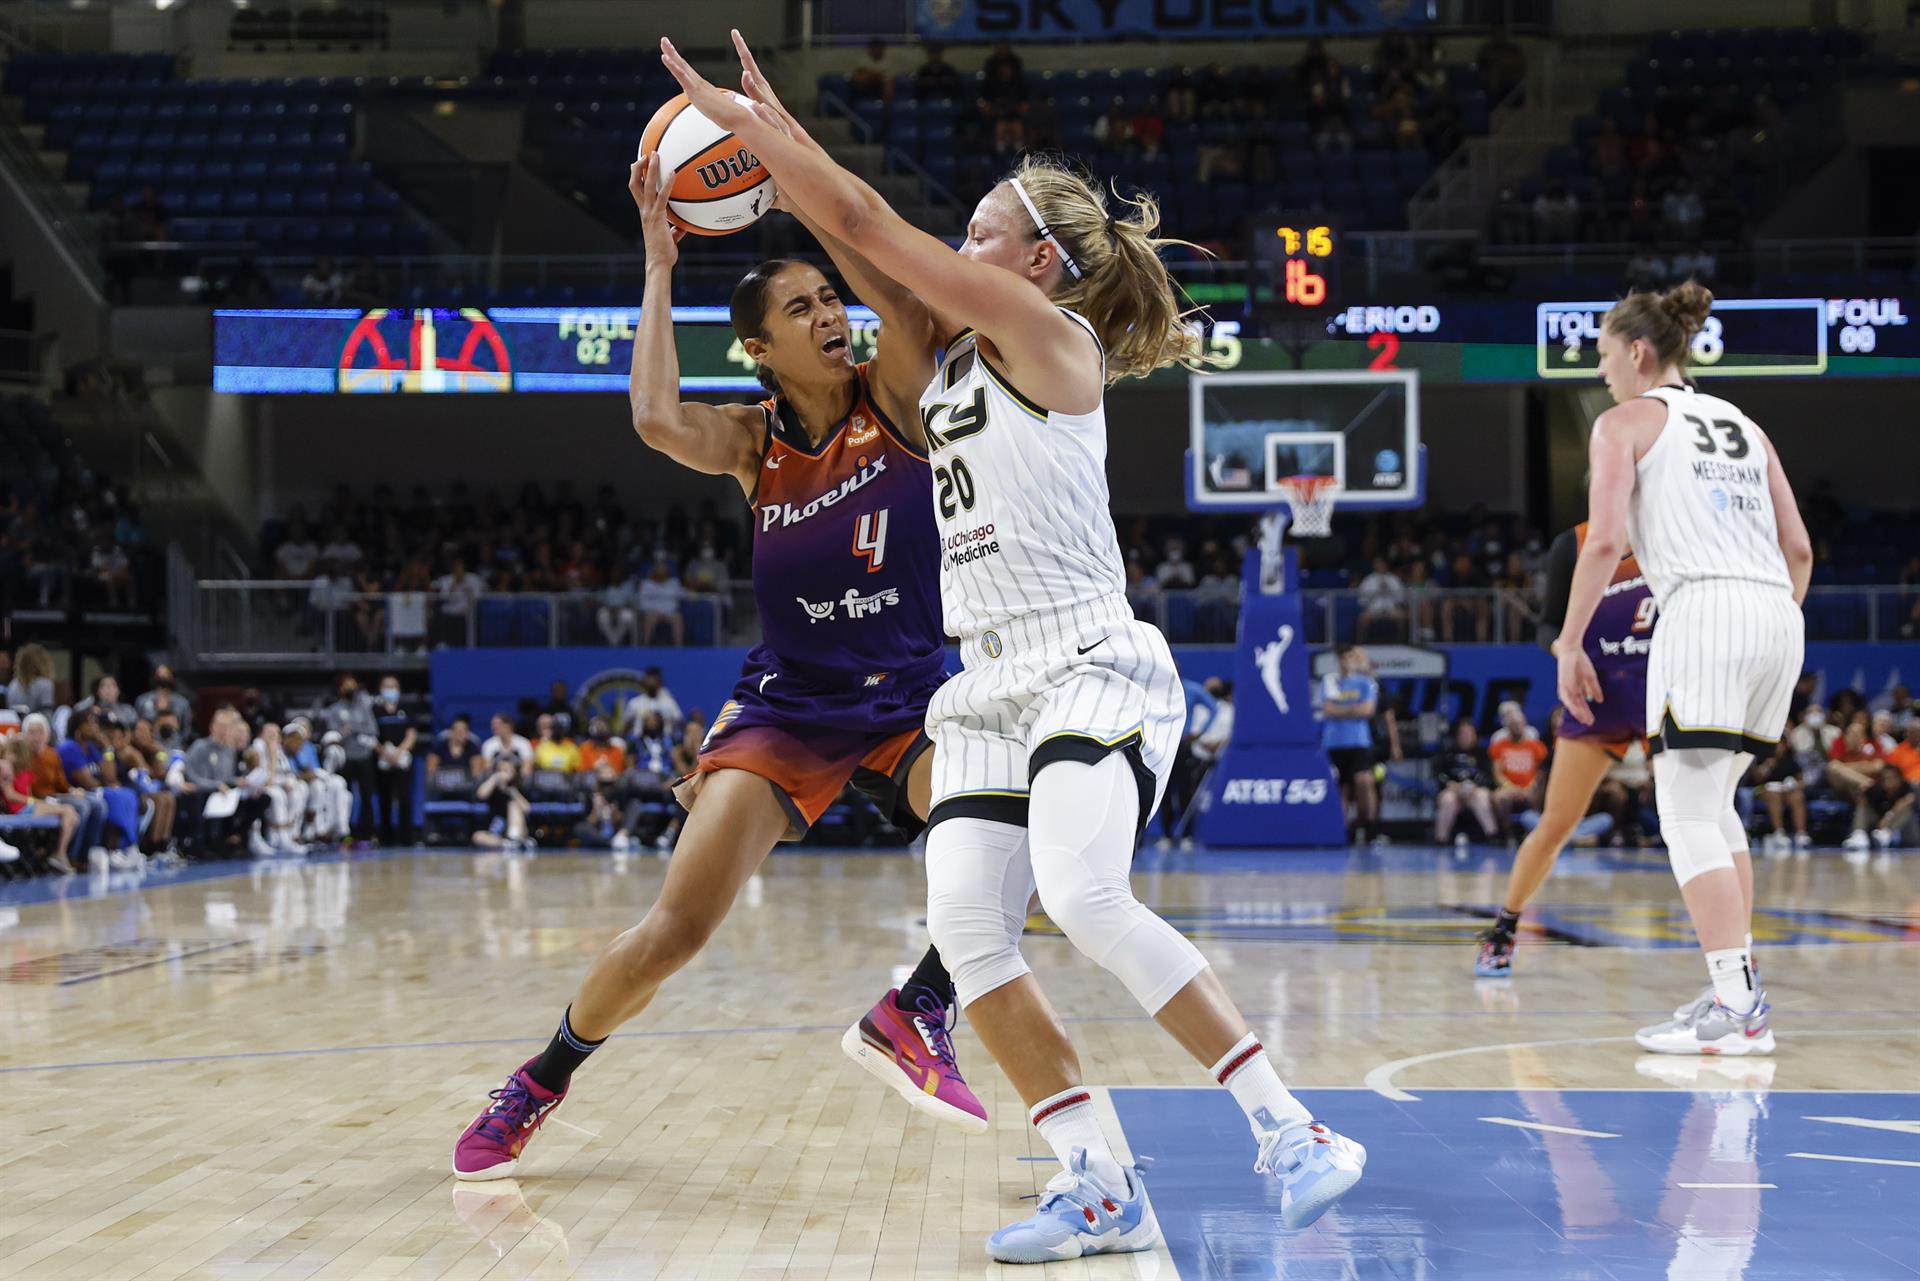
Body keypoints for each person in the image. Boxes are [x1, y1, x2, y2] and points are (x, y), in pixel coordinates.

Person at [663, 36, 1364, 1261]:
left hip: (1085, 657)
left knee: (1086, 895)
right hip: (983, 681)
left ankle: (1289, 1128)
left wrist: (762, 131)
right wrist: (778, 153)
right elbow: (862, 252)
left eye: (981, 232)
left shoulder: (1048, 336)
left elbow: (870, 224)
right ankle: (1099, 1181)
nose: (963, 246)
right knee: (970, 939)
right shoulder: (938, 374)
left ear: (1036, 258)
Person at [452, 123, 989, 1183]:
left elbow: (889, 275)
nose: (829, 316)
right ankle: (541, 1078)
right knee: (675, 932)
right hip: (791, 709)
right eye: (801, 310)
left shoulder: (899, 395)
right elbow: (654, 415)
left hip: (917, 697)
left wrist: (803, 185)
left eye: (828, 300)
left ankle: (918, 1004)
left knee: (1016, 842)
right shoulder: (753, 444)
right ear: (758, 349)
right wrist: (659, 261)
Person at [1554, 280, 1811, 1056]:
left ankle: (1738, 1003)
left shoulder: (1623, 422)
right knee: (1718, 803)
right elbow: (1799, 549)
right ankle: (1736, 988)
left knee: (1687, 812)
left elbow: (1602, 541)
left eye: (1603, 357)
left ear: (1638, 353)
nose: (1600, 374)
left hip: (1702, 609)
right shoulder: (1746, 425)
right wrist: (1772, 617)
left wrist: (1570, 644)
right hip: (1777, 611)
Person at [1321, 644, 1380, 843]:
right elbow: (1328, 709)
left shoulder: (1366, 683)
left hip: (1358, 741)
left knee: (1364, 780)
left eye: (1349, 657)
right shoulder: (1330, 681)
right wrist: (1353, 710)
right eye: (1342, 657)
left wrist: (1341, 710)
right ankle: (1342, 830)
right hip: (1334, 743)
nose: (1345, 661)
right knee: (1340, 788)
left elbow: (1368, 710)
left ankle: (1368, 824)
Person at [1486, 700, 1548, 839]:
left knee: (1540, 794)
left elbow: (1541, 771)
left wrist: (1531, 787)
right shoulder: (1499, 745)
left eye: (1520, 723)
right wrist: (1510, 787)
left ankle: (1534, 832)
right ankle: (1508, 834)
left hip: (1532, 788)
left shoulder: (1536, 746)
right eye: (1513, 724)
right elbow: (1497, 772)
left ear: (1525, 724)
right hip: (1509, 787)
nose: (1517, 727)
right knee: (1499, 798)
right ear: (1507, 726)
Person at [1433, 718, 1497, 846]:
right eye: (1463, 734)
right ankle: (1441, 839)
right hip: (1453, 790)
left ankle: (1493, 836)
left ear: (1475, 736)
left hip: (1475, 790)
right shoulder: (1448, 753)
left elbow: (1488, 776)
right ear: (1457, 736)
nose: (1466, 737)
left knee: (1481, 797)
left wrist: (1475, 786)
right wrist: (1451, 784)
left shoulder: (1482, 754)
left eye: (1469, 734)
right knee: (1447, 800)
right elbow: (1438, 773)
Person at [372, 676, 417, 846]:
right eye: (387, 686)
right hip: (382, 760)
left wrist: (399, 752)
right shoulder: (375, 710)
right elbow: (371, 735)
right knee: (385, 799)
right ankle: (385, 838)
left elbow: (412, 734)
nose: (390, 690)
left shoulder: (406, 709)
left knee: (404, 798)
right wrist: (384, 752)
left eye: (394, 686)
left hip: (402, 759)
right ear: (381, 688)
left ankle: (406, 838)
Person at [473, 754, 533, 851]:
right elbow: (481, 795)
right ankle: (509, 844)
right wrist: (494, 778)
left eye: (507, 770)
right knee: (477, 837)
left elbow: (527, 809)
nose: (503, 773)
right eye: (500, 770)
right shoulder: (493, 783)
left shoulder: (519, 784)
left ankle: (515, 838)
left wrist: (511, 791)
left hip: (518, 827)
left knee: (513, 805)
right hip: (497, 828)